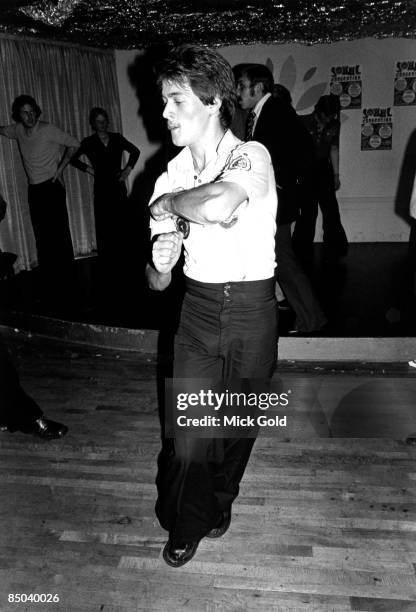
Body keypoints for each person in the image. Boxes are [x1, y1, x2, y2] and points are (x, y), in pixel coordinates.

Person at [146, 45, 278, 567]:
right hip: (197, 310)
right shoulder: (168, 175)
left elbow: (222, 201)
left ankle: (218, 503)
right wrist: (160, 261)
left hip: (252, 309)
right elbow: (157, 283)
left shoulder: (252, 155)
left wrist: (168, 206)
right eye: (164, 101)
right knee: (190, 436)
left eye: (176, 101)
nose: (164, 113)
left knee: (238, 428)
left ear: (214, 101)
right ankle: (187, 521)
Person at [234, 64, 327, 334]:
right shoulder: (259, 113)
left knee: (283, 260)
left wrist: (283, 185)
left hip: (277, 203)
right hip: (269, 202)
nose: (238, 90)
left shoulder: (276, 110)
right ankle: (302, 316)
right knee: (277, 259)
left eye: (241, 85)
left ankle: (311, 318)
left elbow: (305, 151)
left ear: (258, 87)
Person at [0, 95, 79, 302]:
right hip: (34, 190)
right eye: (25, 112)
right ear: (18, 115)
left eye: (32, 110)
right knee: (41, 234)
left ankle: (69, 280)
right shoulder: (17, 130)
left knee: (59, 234)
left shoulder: (47, 129)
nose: (30, 115)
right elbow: (3, 130)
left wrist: (60, 169)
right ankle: (50, 280)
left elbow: (74, 144)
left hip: (52, 187)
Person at [71, 107, 140, 261]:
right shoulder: (88, 142)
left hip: (118, 184)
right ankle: (107, 259)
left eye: (104, 120)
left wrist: (127, 170)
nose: (102, 124)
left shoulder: (117, 138)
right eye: (98, 121)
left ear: (107, 121)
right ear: (93, 123)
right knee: (104, 224)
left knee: (122, 221)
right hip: (101, 187)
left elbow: (135, 152)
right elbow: (72, 158)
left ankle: (126, 255)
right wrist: (89, 169)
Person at [292, 93, 348, 264]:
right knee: (308, 212)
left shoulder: (335, 124)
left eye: (333, 115)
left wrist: (336, 175)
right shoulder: (302, 122)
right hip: (307, 169)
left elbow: (334, 149)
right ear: (319, 112)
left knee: (331, 209)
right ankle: (302, 250)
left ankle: (335, 247)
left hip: (324, 169)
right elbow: (295, 151)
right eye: (327, 114)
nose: (330, 118)